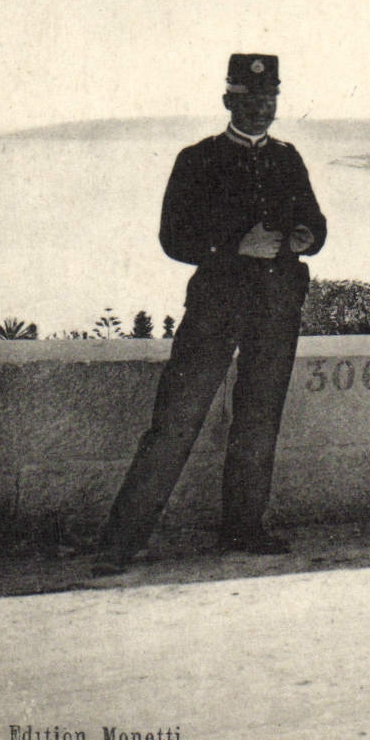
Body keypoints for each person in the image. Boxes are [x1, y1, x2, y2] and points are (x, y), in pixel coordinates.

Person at [93, 54, 327, 574]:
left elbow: (317, 225)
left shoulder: (289, 159)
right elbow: (174, 240)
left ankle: (243, 528)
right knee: (175, 421)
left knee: (259, 421)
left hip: (275, 309)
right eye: (250, 100)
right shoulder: (196, 159)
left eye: (269, 101)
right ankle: (120, 543)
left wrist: (301, 237)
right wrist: (236, 244)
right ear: (228, 101)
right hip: (215, 308)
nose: (261, 110)